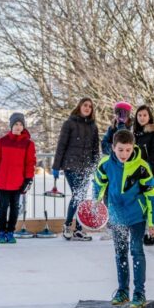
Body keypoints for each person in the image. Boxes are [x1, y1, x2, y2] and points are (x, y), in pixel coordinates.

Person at [95, 130, 154, 308]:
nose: (124, 154)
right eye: (120, 150)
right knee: (120, 252)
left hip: (137, 216)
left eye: (128, 150)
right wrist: (95, 202)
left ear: (133, 147)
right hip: (116, 214)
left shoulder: (142, 167)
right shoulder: (105, 164)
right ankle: (123, 290)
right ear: (113, 148)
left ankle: (139, 293)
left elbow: (153, 196)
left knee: (136, 251)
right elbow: (99, 183)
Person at [53, 97, 100, 241]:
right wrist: (56, 166)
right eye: (85, 105)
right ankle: (67, 225)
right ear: (79, 107)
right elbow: (61, 145)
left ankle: (79, 229)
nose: (87, 108)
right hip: (71, 165)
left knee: (81, 197)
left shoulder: (93, 126)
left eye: (90, 106)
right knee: (77, 195)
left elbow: (95, 149)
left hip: (86, 167)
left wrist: (95, 165)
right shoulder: (69, 123)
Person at [0, 113, 37, 244]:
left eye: (21, 124)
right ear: (11, 125)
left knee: (15, 207)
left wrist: (28, 179)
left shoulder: (28, 144)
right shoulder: (2, 141)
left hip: (18, 181)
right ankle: (1, 232)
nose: (18, 126)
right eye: (16, 124)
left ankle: (10, 232)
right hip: (3, 181)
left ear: (23, 126)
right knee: (3, 207)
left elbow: (30, 163)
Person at [132, 105, 154, 245]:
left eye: (144, 115)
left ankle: (153, 234)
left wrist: (145, 170)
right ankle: (144, 231)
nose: (142, 118)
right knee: (141, 204)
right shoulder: (135, 135)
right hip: (137, 175)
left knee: (152, 203)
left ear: (149, 117)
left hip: (151, 173)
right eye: (139, 115)